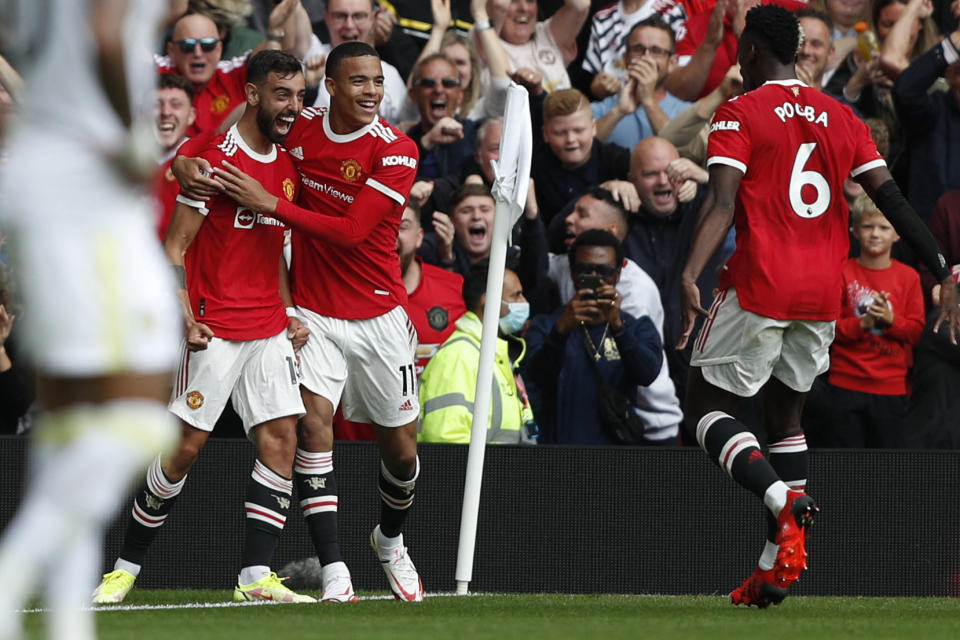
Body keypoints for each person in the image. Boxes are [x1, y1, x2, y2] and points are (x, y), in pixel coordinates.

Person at [678, 4, 960, 609]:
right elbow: (894, 202)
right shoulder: (843, 116)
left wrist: (688, 272)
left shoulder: (739, 112)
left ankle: (784, 503)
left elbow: (722, 205)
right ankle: (774, 566)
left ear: (751, 51)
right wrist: (944, 268)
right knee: (786, 417)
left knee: (701, 407)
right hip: (822, 294)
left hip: (759, 284)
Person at [177, 41, 426, 602]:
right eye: (358, 81)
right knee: (313, 428)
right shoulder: (301, 127)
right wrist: (181, 160)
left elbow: (353, 232)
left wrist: (271, 203)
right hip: (313, 312)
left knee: (403, 451)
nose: (371, 92)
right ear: (331, 87)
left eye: (378, 82)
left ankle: (389, 541)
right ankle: (335, 566)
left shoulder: (398, 150)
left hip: (381, 315)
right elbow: (228, 136)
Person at [92, 49, 314, 606]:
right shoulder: (212, 161)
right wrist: (184, 316)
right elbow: (175, 247)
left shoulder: (287, 165)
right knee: (185, 448)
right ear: (253, 93)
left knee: (282, 437)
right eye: (282, 94)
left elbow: (274, 252)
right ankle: (123, 569)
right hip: (213, 325)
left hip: (267, 325)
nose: (294, 106)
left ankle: (255, 577)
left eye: (301, 95)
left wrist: (288, 311)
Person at [0, 2, 181, 639]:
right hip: (86, 188)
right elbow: (104, 31)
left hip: (39, 177)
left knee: (69, 430)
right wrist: (130, 134)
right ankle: (8, 581)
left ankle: (67, 622)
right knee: (142, 410)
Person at [550, 188, 683, 444]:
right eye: (583, 270)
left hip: (646, 420)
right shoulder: (565, 268)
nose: (569, 219)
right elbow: (548, 240)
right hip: (597, 421)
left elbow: (633, 367)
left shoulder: (635, 289)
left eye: (582, 214)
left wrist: (616, 323)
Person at [807, 194, 925, 448]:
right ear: (855, 231)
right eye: (868, 226)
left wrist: (890, 320)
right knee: (844, 466)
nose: (875, 234)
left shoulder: (909, 277)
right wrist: (864, 323)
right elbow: (828, 327)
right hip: (844, 384)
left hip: (891, 389)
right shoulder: (842, 271)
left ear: (897, 234)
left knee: (887, 471)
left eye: (884, 227)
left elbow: (917, 333)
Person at [525, 229, 664, 444]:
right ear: (572, 272)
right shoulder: (546, 325)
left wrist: (618, 327)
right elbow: (535, 380)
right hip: (557, 457)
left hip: (614, 460)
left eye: (603, 271)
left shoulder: (636, 326)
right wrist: (561, 330)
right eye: (584, 270)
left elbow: (648, 374)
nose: (594, 278)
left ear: (617, 274)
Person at [419, 262, 536, 444]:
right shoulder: (459, 357)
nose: (524, 302)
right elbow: (446, 442)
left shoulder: (497, 356)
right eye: (516, 296)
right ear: (489, 301)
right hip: (480, 473)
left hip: (505, 471)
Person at [157, 2, 308, 137]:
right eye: (187, 46)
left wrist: (275, 31)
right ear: (171, 50)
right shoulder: (155, 71)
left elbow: (283, 53)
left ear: (219, 49)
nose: (198, 53)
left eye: (207, 45)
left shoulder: (234, 74)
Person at [892, 14, 960, 222]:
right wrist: (951, 45)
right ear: (950, 75)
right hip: (931, 238)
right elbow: (905, 91)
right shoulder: (933, 110)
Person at [592, 17, 692, 150]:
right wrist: (618, 111)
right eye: (638, 49)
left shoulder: (688, 112)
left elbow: (685, 153)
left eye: (656, 51)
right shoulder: (601, 110)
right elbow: (582, 151)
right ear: (625, 58)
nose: (646, 57)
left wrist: (648, 101)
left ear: (672, 63)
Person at [533, 88, 631, 224]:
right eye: (560, 133)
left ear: (593, 128)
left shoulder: (618, 161)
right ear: (545, 134)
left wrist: (629, 188)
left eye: (579, 130)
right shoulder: (534, 169)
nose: (570, 139)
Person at [581, 0, 689, 100]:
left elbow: (680, 77)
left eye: (656, 50)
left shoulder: (671, 12)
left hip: (661, 106)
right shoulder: (601, 18)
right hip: (616, 108)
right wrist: (600, 87)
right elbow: (594, 82)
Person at [490, 0, 591, 94]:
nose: (524, 8)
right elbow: (499, 4)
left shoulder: (547, 34)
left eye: (530, 0)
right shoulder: (484, 40)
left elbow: (581, 5)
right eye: (513, 1)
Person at [153, 73, 196, 241]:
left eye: (175, 104)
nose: (165, 112)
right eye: (156, 104)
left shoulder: (205, 160)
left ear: (191, 115)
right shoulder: (123, 162)